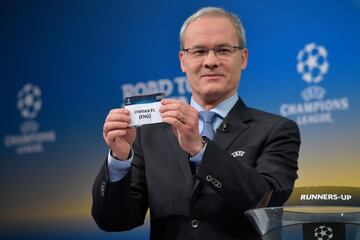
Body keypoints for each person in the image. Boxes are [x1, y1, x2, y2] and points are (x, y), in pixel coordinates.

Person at [92, 7, 300, 240]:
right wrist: (119, 161)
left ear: (243, 58)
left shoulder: (277, 130)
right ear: (183, 60)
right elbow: (113, 221)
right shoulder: (148, 136)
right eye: (199, 51)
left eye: (223, 50)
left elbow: (267, 203)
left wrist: (200, 149)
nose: (211, 61)